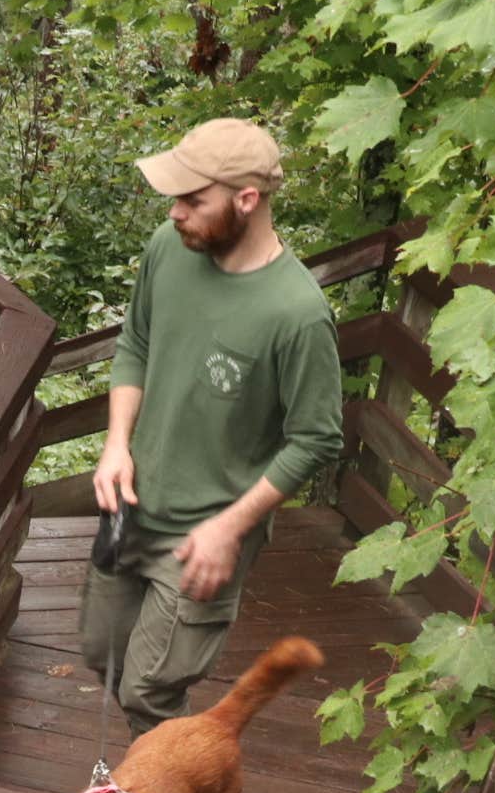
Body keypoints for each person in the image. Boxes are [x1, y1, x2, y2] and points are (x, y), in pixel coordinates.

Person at [82, 118, 344, 736]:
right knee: (105, 656)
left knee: (149, 690)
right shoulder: (169, 249)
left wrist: (230, 529)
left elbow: (317, 438)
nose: (175, 212)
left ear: (246, 200)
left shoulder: (298, 315)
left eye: (193, 200)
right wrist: (116, 445)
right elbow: (136, 345)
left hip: (205, 530)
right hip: (132, 505)